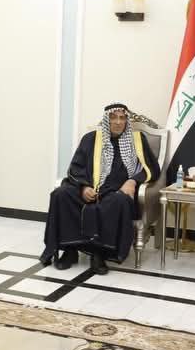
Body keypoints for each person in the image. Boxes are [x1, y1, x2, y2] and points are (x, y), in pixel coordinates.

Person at [40, 103, 161, 274]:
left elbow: (152, 168)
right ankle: (70, 249)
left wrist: (133, 181)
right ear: (106, 120)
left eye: (122, 118)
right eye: (113, 118)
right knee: (61, 194)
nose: (118, 122)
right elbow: (75, 167)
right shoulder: (90, 139)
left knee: (117, 201)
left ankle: (99, 253)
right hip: (90, 187)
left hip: (116, 191)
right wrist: (83, 187)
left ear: (126, 121)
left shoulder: (137, 140)